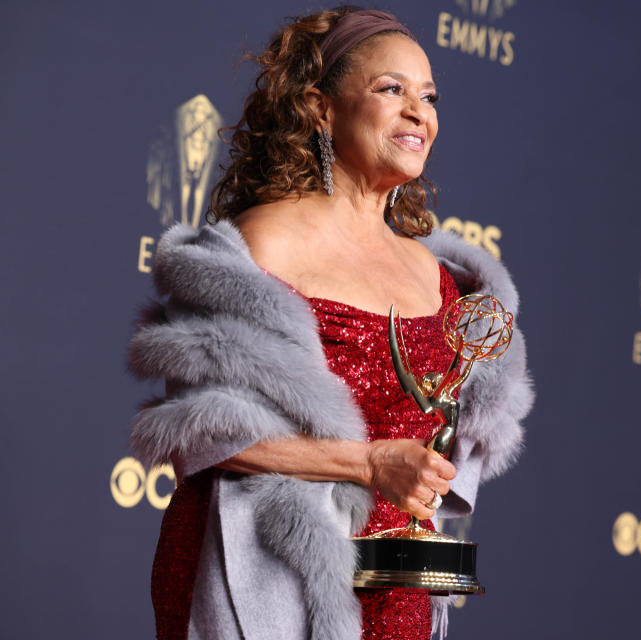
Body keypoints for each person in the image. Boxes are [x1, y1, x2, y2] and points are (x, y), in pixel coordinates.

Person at [128, 7, 533, 640]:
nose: (418, 112)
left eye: (428, 96)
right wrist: (368, 465)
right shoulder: (260, 246)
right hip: (260, 574)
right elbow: (201, 435)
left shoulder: (437, 275)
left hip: (395, 585)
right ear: (320, 108)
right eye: (390, 89)